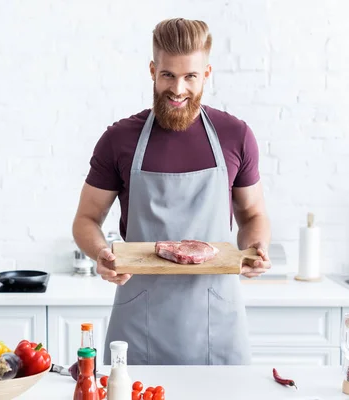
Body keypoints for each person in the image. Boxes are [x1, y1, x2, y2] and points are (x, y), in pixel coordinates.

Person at [72, 18, 272, 366]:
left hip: (217, 319)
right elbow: (86, 219)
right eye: (168, 75)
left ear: (206, 73)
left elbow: (253, 213)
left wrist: (256, 247)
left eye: (190, 76)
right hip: (139, 319)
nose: (178, 89)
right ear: (152, 70)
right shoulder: (119, 139)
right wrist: (102, 253)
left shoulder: (235, 135)